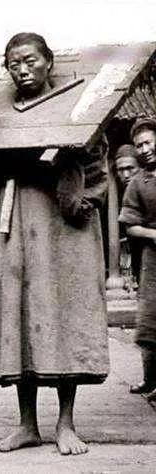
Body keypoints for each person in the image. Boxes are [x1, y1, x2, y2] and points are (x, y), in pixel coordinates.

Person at [0, 33, 109, 456]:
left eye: (30, 60)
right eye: (13, 64)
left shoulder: (80, 108)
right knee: (21, 314)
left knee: (66, 312)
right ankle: (27, 424)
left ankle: (66, 423)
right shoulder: (1, 114)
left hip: (65, 222)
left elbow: (97, 164)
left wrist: (79, 196)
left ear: (49, 62)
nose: (22, 70)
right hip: (18, 217)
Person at [120, 117, 156, 399]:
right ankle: (151, 379)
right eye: (139, 145)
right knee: (150, 320)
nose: (144, 150)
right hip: (152, 259)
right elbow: (130, 225)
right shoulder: (137, 183)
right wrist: (153, 234)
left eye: (148, 143)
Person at [114, 145, 142, 286]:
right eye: (121, 170)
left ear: (140, 167)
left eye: (130, 168)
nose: (125, 175)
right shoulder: (117, 195)